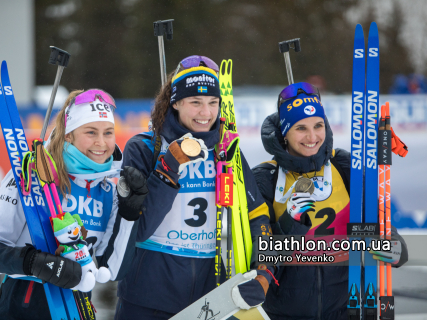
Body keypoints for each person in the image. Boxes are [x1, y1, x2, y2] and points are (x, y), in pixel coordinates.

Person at [115, 56, 278, 319]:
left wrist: (265, 274)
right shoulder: (144, 148)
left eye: (213, 103)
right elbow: (138, 230)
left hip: (210, 293)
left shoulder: (227, 151)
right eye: (195, 102)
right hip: (148, 294)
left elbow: (258, 216)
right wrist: (168, 167)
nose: (206, 113)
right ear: (176, 102)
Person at [0, 89, 148, 319]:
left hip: (77, 309)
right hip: (23, 307)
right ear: (68, 135)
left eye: (108, 132)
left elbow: (112, 270)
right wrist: (36, 263)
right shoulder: (31, 174)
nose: (101, 142)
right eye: (91, 132)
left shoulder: (109, 190)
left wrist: (129, 214)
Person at [252, 82, 409, 320]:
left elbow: (393, 245)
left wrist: (387, 244)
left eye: (318, 125)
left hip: (349, 308)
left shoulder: (343, 165)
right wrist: (290, 221)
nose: (312, 137)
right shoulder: (265, 178)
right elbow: (260, 257)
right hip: (286, 313)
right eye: (300, 128)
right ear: (284, 133)